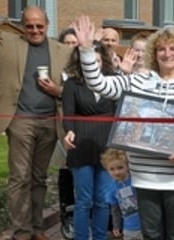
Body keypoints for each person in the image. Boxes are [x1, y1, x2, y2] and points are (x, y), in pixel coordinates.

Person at [75, 17, 174, 239]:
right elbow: (98, 84)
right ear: (153, 53)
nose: (167, 53)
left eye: (173, 48)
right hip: (145, 175)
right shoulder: (138, 81)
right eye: (161, 49)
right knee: (151, 235)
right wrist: (86, 50)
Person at [0, 2, 73, 238]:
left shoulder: (61, 50)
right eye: (30, 26)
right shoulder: (8, 43)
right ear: (23, 27)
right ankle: (22, 231)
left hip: (50, 121)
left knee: (39, 178)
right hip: (20, 120)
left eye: (39, 26)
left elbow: (74, 87)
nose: (34, 30)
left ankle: (37, 227)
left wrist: (58, 91)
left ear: (47, 25)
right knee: (19, 178)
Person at [61, 43, 118, 240]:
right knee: (84, 200)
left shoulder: (113, 82)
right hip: (81, 146)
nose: (94, 64)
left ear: (104, 62)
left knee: (103, 200)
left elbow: (122, 112)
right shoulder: (72, 84)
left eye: (98, 60)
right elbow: (67, 114)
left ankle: (100, 237)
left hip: (107, 147)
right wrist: (69, 132)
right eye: (90, 61)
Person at [102, 148, 143, 240]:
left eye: (120, 168)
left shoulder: (135, 181)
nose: (116, 172)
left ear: (127, 166)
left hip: (144, 225)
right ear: (107, 170)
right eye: (112, 169)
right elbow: (115, 209)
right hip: (128, 227)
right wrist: (116, 225)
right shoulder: (111, 188)